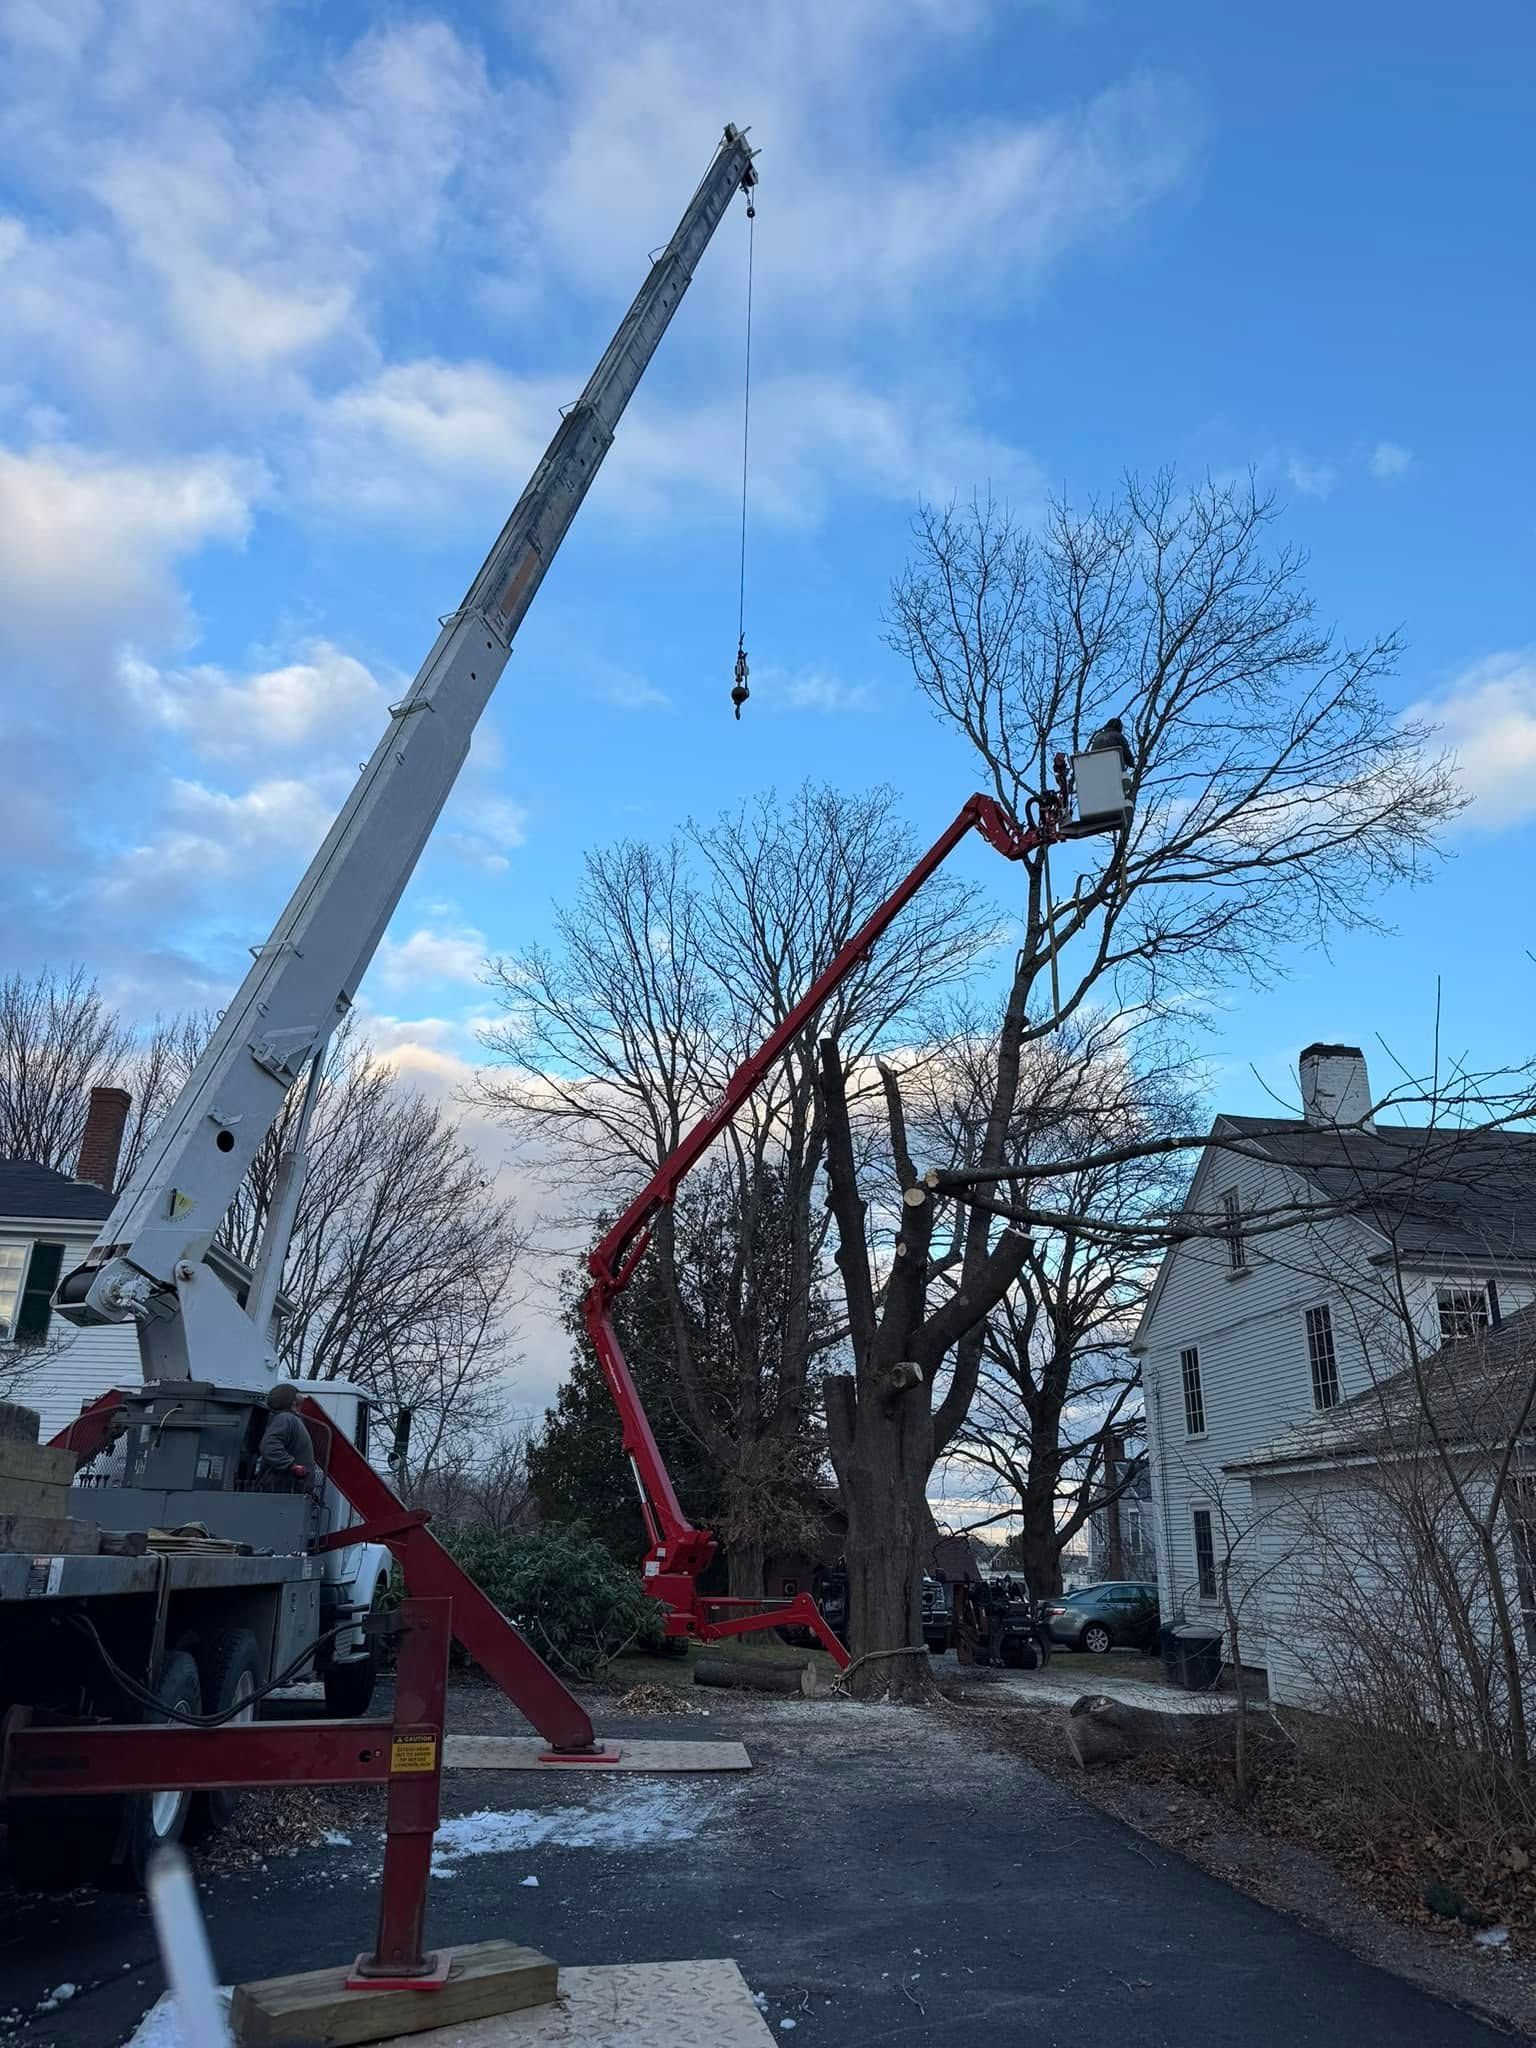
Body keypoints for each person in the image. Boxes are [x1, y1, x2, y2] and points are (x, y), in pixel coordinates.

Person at [256, 1381, 316, 1492]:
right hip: (283, 1489)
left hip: (292, 1488)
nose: (301, 1396)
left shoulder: (290, 1419)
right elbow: (269, 1446)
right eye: (296, 1393)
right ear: (292, 1402)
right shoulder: (285, 1418)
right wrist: (291, 1465)